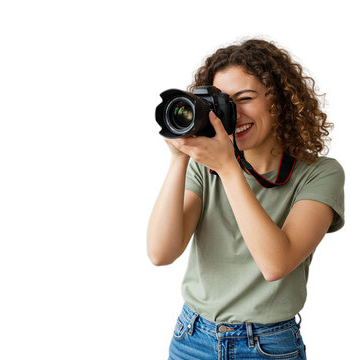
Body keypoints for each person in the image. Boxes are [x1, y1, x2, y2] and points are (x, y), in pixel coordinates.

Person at [147, 39, 345, 360]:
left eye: (246, 98)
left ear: (278, 102)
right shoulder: (205, 169)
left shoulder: (319, 174)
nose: (234, 113)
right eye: (222, 103)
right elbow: (160, 252)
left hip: (268, 346)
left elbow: (275, 264)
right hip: (192, 337)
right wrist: (179, 158)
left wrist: (228, 167)